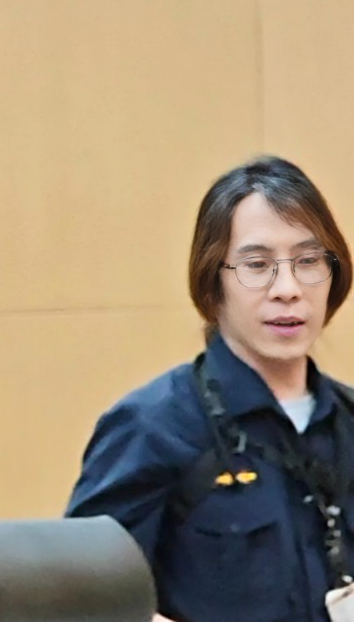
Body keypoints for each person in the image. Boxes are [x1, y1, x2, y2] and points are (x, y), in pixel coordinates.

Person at [68, 156, 354, 622]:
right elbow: (87, 602)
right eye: (257, 265)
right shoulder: (153, 428)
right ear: (211, 283)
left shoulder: (347, 421)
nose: (288, 289)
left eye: (308, 261)